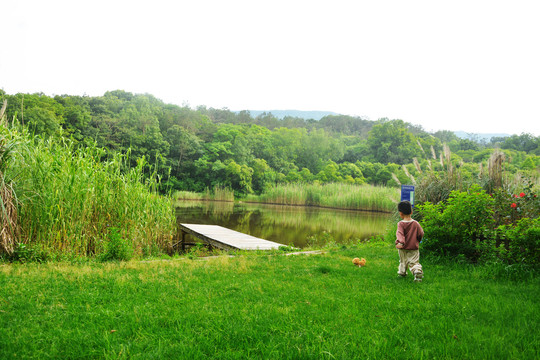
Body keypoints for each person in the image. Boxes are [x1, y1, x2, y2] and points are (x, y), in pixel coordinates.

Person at [395, 201, 424, 282]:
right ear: (411, 212)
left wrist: (400, 242)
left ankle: (402, 272)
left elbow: (400, 234)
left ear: (400, 213)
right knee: (414, 262)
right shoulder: (416, 223)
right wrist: (418, 240)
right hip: (414, 247)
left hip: (402, 248)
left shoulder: (400, 224)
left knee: (403, 261)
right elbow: (421, 233)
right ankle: (417, 270)